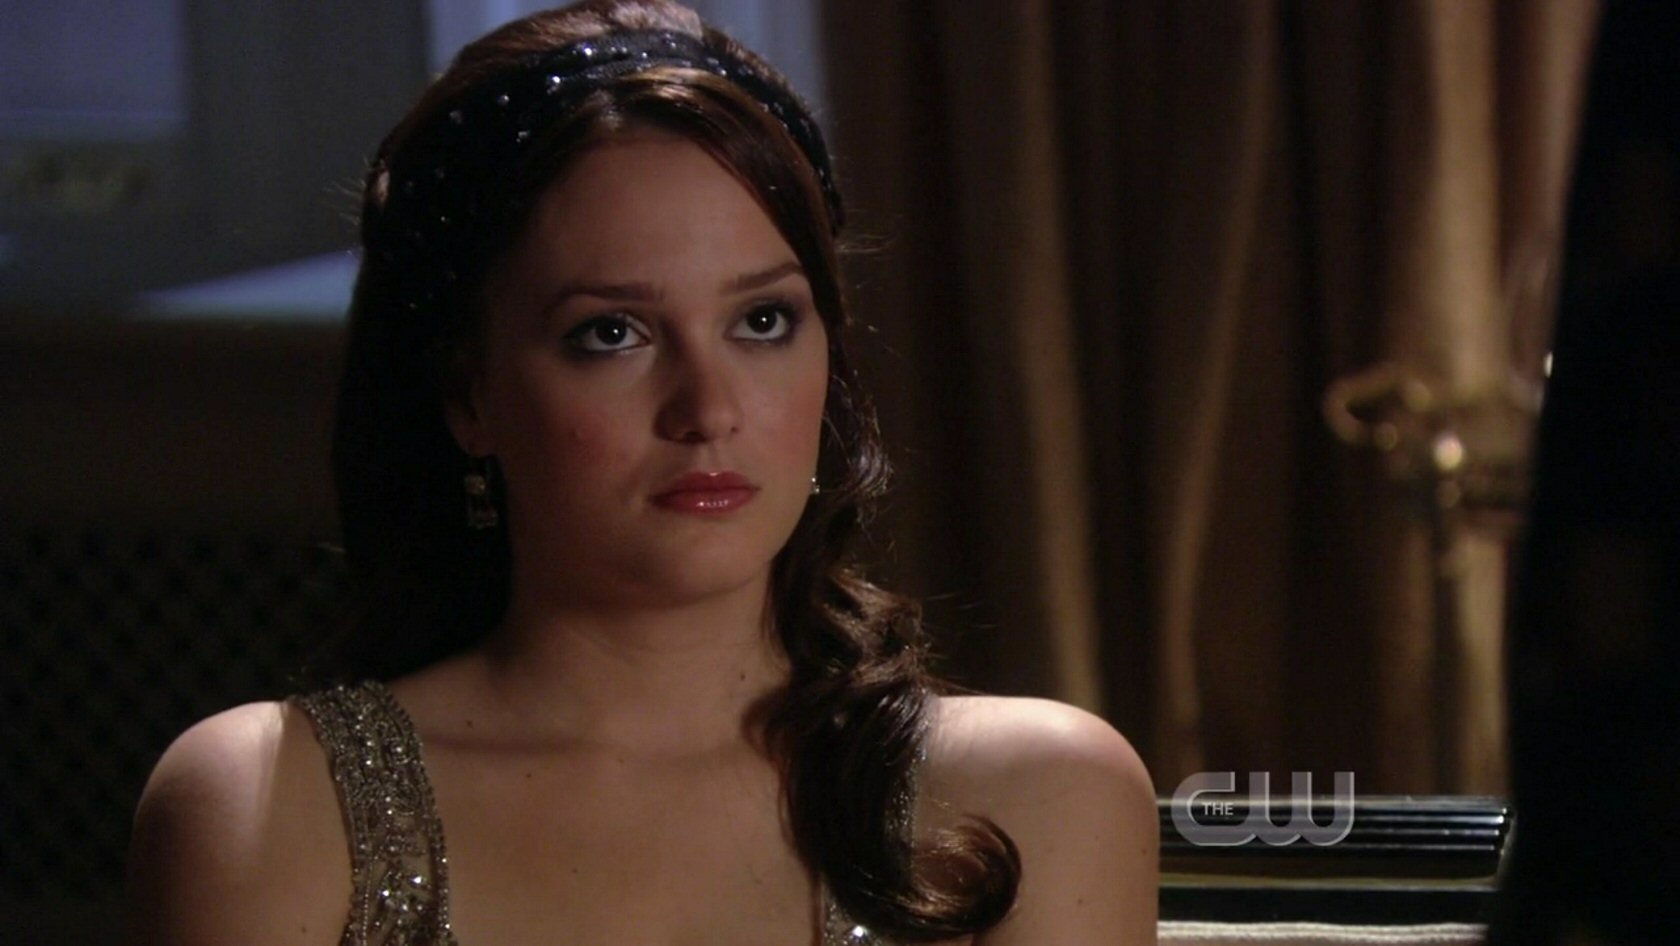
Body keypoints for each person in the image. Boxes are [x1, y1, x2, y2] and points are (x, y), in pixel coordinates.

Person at [124, 2, 1158, 943]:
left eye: (763, 320)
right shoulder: (271, 804)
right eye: (611, 333)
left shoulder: (1033, 794)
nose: (708, 408)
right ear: (468, 393)